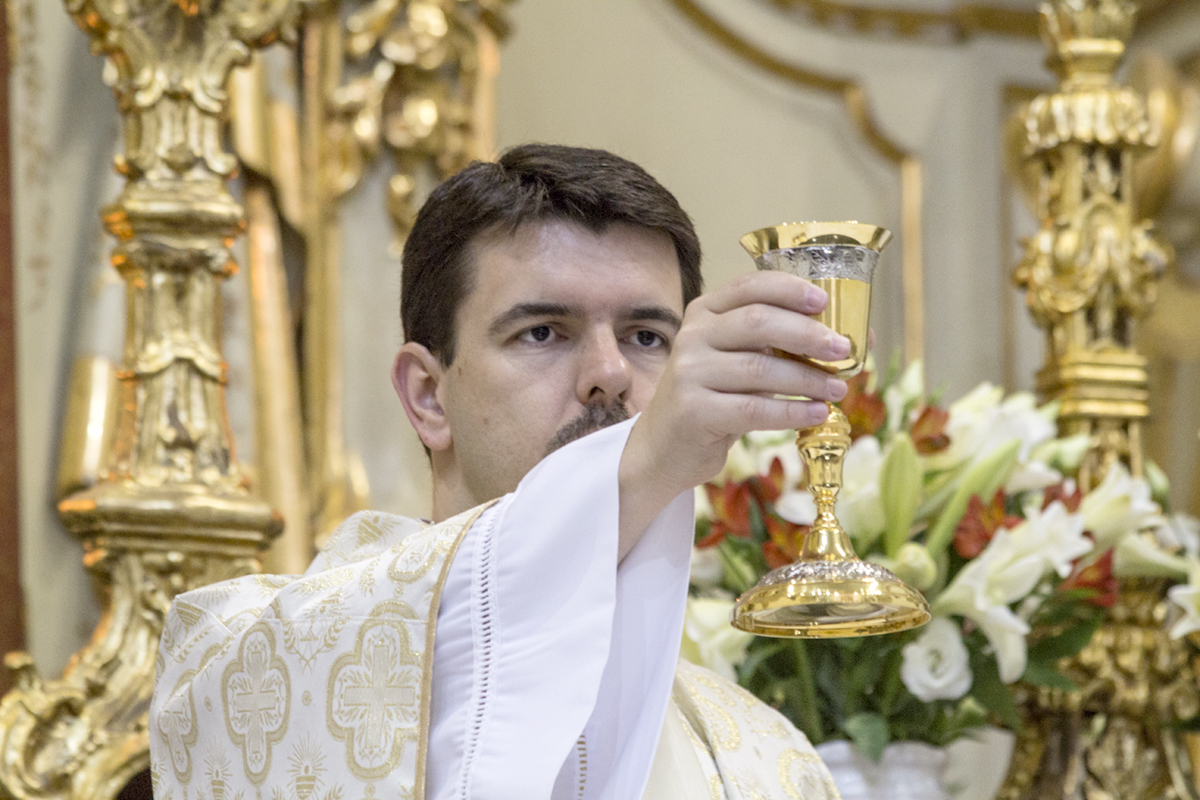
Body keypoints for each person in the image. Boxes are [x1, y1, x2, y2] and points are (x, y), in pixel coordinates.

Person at [149, 144, 850, 799]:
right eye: (542, 332)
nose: (610, 374)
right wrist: (635, 467)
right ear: (429, 396)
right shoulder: (247, 659)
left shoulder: (763, 758)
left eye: (646, 337)